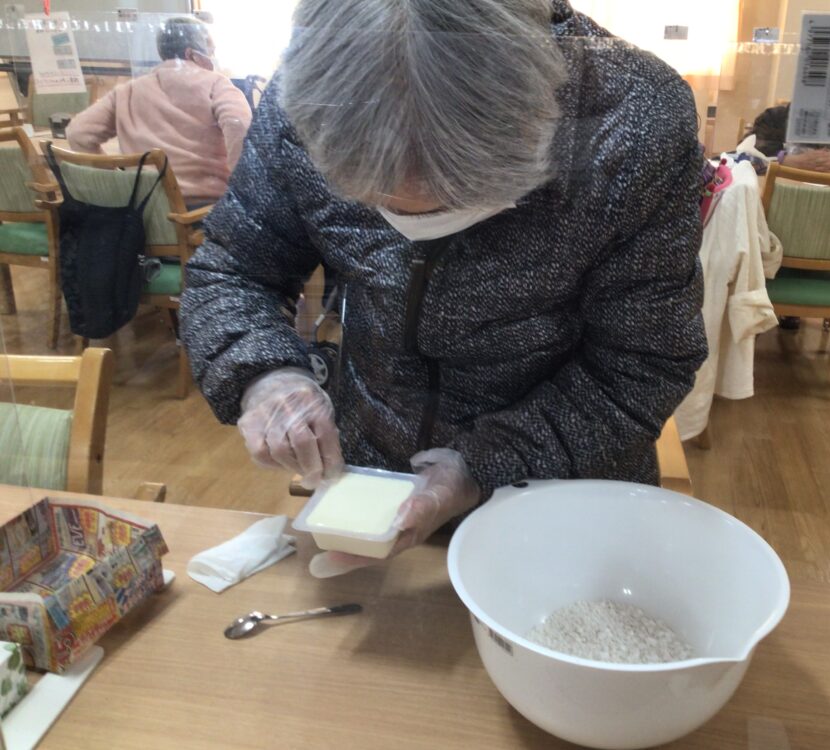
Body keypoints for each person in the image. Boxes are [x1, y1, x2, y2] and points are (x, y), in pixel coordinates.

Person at [180, 0, 707, 576]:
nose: (405, 221)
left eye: (450, 203)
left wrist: (485, 465)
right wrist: (264, 375)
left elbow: (642, 362)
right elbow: (235, 268)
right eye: (372, 201)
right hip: (376, 487)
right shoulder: (310, 99)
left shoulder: (635, 120)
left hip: (561, 494)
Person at [66, 17, 251, 207]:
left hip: (140, 211)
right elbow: (240, 126)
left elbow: (78, 132)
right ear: (193, 54)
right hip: (203, 211)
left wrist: (116, 180)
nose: (213, 55)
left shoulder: (127, 90)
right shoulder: (216, 84)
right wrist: (242, 187)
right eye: (211, 50)